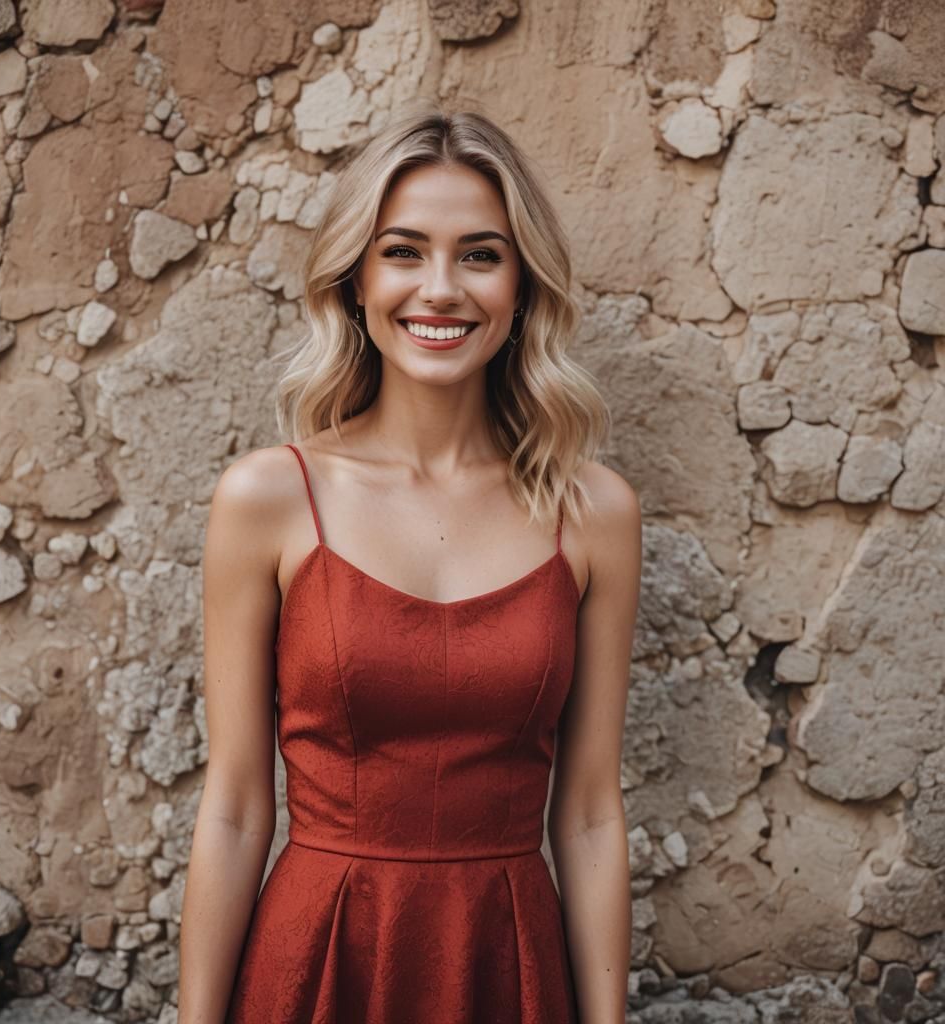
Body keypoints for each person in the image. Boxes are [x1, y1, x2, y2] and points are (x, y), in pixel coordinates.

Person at [178, 100, 642, 1024]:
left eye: (480, 253)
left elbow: (588, 816)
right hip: (317, 963)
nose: (441, 288)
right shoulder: (267, 499)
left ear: (521, 286)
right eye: (402, 251)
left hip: (507, 965)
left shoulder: (595, 512)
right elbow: (233, 808)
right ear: (355, 281)